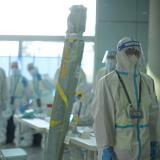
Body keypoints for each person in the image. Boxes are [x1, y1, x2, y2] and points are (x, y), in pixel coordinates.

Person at [93, 37, 160, 160]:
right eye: (129, 52)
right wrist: (105, 147)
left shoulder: (147, 81)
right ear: (120, 54)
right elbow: (102, 117)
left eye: (136, 52)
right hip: (120, 152)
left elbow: (154, 115)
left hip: (145, 151)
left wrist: (155, 141)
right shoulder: (107, 82)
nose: (133, 55)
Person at [9, 61, 33, 147]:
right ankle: (17, 140)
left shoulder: (24, 79)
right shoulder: (9, 78)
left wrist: (25, 104)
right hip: (11, 103)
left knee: (22, 124)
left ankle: (27, 141)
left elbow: (29, 94)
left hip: (21, 103)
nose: (14, 68)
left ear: (19, 67)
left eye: (16, 66)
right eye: (13, 67)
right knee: (15, 122)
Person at [0, 67, 8, 145]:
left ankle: (1, 140)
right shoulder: (2, 71)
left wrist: (4, 101)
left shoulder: (1, 71)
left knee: (1, 122)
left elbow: (4, 88)